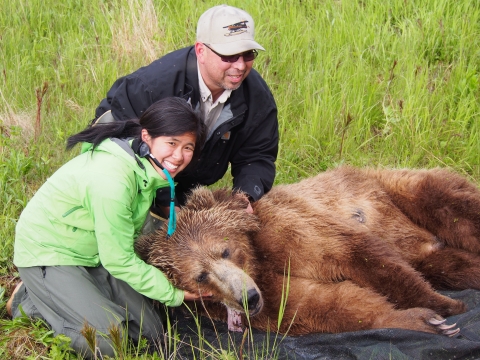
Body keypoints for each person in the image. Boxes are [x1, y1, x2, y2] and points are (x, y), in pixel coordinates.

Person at [7, 97, 209, 358]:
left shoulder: (147, 170)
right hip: (50, 252)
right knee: (106, 342)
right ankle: (30, 300)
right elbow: (119, 260)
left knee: (151, 332)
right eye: (171, 143)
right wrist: (173, 294)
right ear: (147, 137)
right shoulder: (113, 180)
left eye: (188, 147)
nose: (179, 156)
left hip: (94, 252)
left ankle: (66, 295)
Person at [93, 4, 278, 218]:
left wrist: (244, 197)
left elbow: (257, 155)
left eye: (248, 54)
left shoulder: (257, 97)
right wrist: (165, 204)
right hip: (134, 178)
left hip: (186, 181)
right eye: (229, 56)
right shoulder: (150, 87)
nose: (240, 65)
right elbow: (125, 147)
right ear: (201, 51)